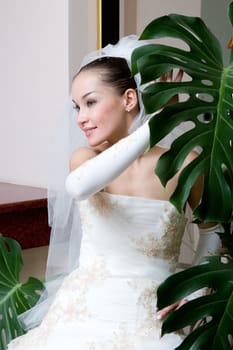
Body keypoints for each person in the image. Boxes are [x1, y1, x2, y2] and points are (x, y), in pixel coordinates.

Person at [7, 35, 222, 350]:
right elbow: (79, 186)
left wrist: (192, 293)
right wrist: (156, 123)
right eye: (77, 106)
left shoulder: (184, 163)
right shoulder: (85, 160)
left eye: (90, 102)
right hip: (85, 313)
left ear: (130, 100)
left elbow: (213, 228)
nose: (80, 117)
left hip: (155, 314)